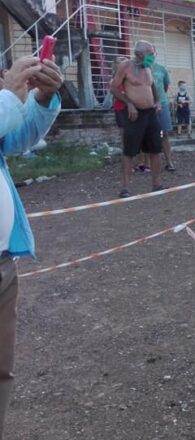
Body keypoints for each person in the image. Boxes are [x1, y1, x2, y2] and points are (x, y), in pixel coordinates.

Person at [0, 54, 62, 439]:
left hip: (4, 265)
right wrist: (7, 94)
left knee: (0, 372)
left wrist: (40, 100)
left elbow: (14, 139)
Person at [110, 40, 165, 198]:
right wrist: (129, 103)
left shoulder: (148, 67)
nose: (153, 57)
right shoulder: (125, 66)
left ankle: (157, 184)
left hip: (150, 113)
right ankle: (125, 188)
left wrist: (157, 101)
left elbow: (152, 85)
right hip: (134, 114)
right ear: (140, 54)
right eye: (151, 54)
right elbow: (113, 87)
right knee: (129, 151)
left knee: (156, 148)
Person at [151, 58, 175, 171]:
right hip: (144, 105)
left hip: (162, 103)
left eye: (152, 53)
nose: (150, 56)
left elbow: (165, 86)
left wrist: (159, 99)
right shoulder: (138, 68)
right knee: (147, 134)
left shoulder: (161, 69)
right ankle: (146, 163)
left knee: (164, 133)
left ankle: (169, 161)